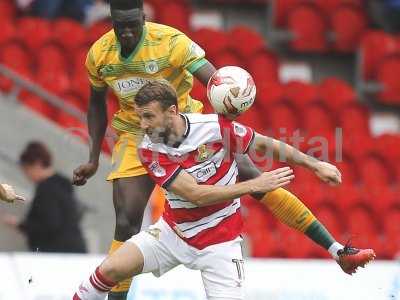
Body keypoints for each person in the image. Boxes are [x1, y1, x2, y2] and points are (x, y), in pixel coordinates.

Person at [72, 1, 376, 298]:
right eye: (119, 26)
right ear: (110, 18)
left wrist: (229, 96)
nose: (126, 33)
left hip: (185, 124)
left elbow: (214, 78)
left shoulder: (171, 43)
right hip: (135, 133)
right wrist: (93, 157)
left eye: (132, 25)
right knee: (126, 220)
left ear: (143, 16)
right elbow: (96, 103)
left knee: (252, 174)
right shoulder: (100, 54)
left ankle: (337, 249)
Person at [1, 142, 87, 253]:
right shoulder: (62, 183)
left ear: (37, 164)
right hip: (72, 250)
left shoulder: (47, 189)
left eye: (27, 170)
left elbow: (49, 224)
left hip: (58, 254)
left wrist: (20, 224)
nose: (27, 175)